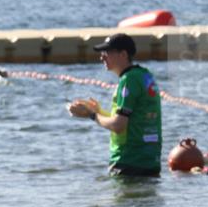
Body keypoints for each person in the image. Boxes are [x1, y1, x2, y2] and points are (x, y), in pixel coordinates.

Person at [68, 33, 162, 177]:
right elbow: (130, 119)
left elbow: (118, 126)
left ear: (123, 54)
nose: (102, 57)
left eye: (107, 52)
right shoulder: (145, 75)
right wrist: (99, 111)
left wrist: (92, 115)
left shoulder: (128, 80)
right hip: (150, 162)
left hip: (128, 163)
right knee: (144, 199)